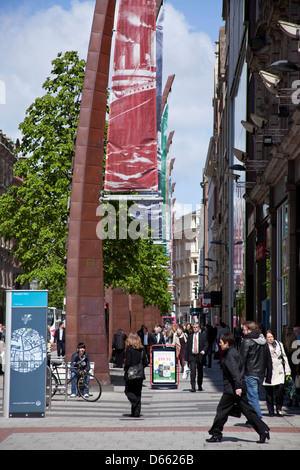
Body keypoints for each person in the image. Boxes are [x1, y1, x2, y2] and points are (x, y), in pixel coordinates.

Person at [206, 333, 270, 444]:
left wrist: (238, 386)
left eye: (221, 342)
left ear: (227, 343)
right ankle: (263, 430)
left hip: (232, 389)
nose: (219, 344)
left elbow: (235, 372)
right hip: (238, 387)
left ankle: (216, 433)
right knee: (248, 411)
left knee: (221, 410)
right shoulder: (233, 351)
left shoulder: (230, 355)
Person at [240, 321, 272, 418]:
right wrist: (269, 375)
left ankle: (257, 418)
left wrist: (239, 375)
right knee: (255, 395)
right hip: (261, 374)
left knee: (252, 397)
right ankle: (252, 418)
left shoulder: (247, 341)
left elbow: (242, 359)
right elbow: (268, 360)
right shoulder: (263, 341)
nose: (243, 332)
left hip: (250, 373)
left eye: (244, 329)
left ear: (250, 330)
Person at [263, 330, 291, 416]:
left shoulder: (279, 344)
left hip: (279, 370)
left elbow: (285, 357)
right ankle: (270, 411)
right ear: (265, 338)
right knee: (269, 393)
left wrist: (287, 371)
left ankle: (279, 408)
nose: (270, 339)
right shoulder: (263, 347)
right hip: (268, 371)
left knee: (279, 391)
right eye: (268, 337)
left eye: (272, 337)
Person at [124, 333, 148, 417]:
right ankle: (136, 412)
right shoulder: (142, 349)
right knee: (138, 392)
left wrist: (126, 369)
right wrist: (140, 368)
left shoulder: (129, 349)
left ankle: (135, 402)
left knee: (128, 391)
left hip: (131, 374)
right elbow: (145, 362)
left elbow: (128, 362)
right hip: (140, 375)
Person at [184, 322, 208, 391]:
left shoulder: (202, 336)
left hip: (199, 355)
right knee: (193, 371)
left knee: (200, 372)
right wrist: (186, 358)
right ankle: (193, 386)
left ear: (199, 328)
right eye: (194, 327)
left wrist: (204, 350)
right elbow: (187, 348)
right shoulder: (190, 337)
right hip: (192, 356)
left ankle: (199, 385)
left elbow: (206, 344)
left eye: (196, 327)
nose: (195, 328)